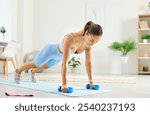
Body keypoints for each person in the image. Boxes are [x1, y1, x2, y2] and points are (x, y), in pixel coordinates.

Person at [14, 21, 103, 93]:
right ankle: (18, 71)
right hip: (50, 51)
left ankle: (33, 72)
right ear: (87, 33)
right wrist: (64, 84)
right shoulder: (71, 38)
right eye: (92, 40)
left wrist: (91, 82)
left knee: (45, 66)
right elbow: (65, 63)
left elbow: (88, 63)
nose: (93, 44)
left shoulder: (88, 45)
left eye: (96, 42)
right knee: (35, 64)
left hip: (58, 57)